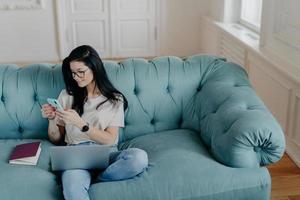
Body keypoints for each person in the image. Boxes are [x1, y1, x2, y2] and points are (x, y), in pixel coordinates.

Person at [41, 45, 148, 200]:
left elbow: (110, 139)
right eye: (73, 73)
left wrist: (81, 124)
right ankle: (85, 178)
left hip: (106, 153)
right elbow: (56, 139)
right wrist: (51, 120)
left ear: (95, 68)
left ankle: (97, 179)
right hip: (76, 156)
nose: (76, 77)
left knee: (139, 158)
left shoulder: (114, 99)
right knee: (72, 189)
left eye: (81, 72)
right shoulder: (66, 95)